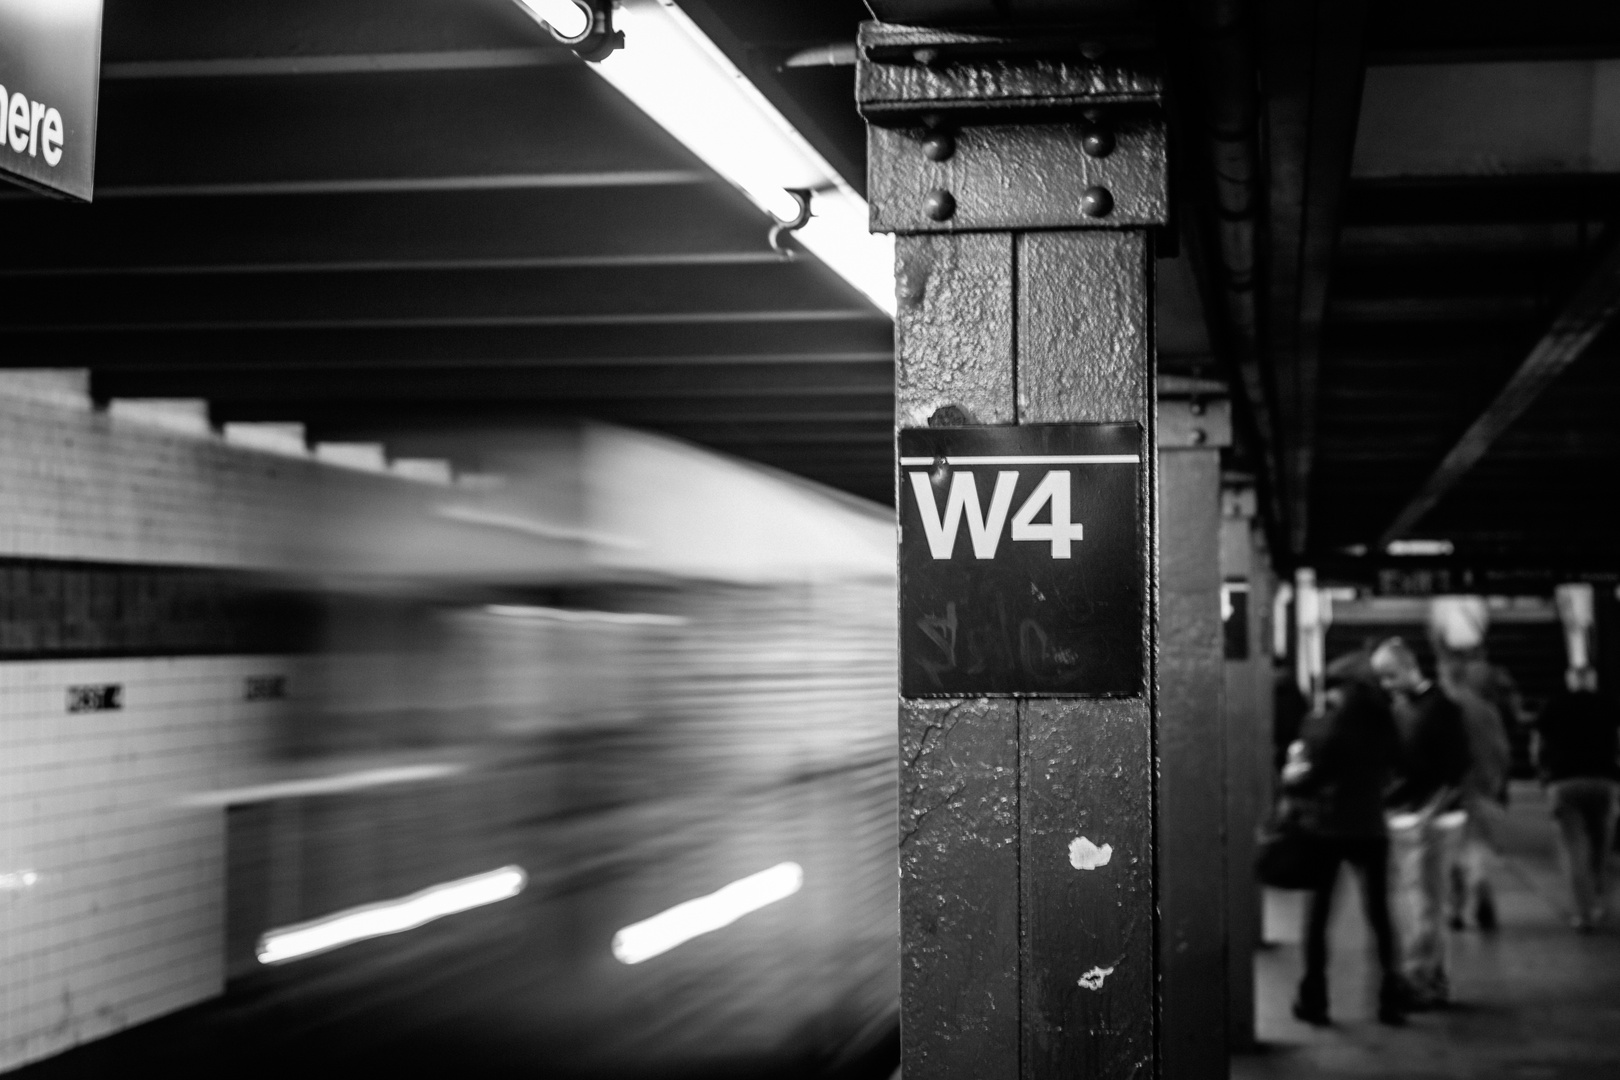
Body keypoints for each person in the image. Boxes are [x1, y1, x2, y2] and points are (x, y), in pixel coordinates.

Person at [1285, 675, 1408, 1027]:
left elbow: (1314, 777)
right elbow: (1401, 768)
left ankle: (1315, 997)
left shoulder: (1329, 729)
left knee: (1318, 917)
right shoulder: (1384, 729)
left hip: (1328, 829)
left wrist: (1293, 781)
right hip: (1371, 828)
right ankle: (1390, 996)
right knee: (1380, 915)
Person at [1371, 637, 1471, 1009]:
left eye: (1391, 676)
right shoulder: (1406, 708)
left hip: (1430, 818)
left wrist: (1429, 812)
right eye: (1381, 678)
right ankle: (1428, 976)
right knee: (1416, 904)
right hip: (1408, 815)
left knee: (1424, 904)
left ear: (1412, 668)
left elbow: (1457, 766)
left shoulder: (1440, 709)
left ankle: (1422, 978)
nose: (1386, 685)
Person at [1534, 665, 1620, 931]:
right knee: (1601, 846)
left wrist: (1542, 774)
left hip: (1564, 781)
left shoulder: (1554, 705)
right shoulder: (1609, 705)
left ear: (1570, 680)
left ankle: (1583, 914)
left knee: (1574, 850)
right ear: (1593, 680)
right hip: (1603, 780)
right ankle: (1601, 904)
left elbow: (1537, 743)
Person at [1436, 651, 1513, 931]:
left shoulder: (1441, 708)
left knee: (1449, 850)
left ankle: (1454, 909)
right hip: (1482, 785)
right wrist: (1498, 782)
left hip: (1448, 789)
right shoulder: (1485, 709)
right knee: (1478, 844)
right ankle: (1481, 887)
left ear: (1444, 676)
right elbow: (1502, 750)